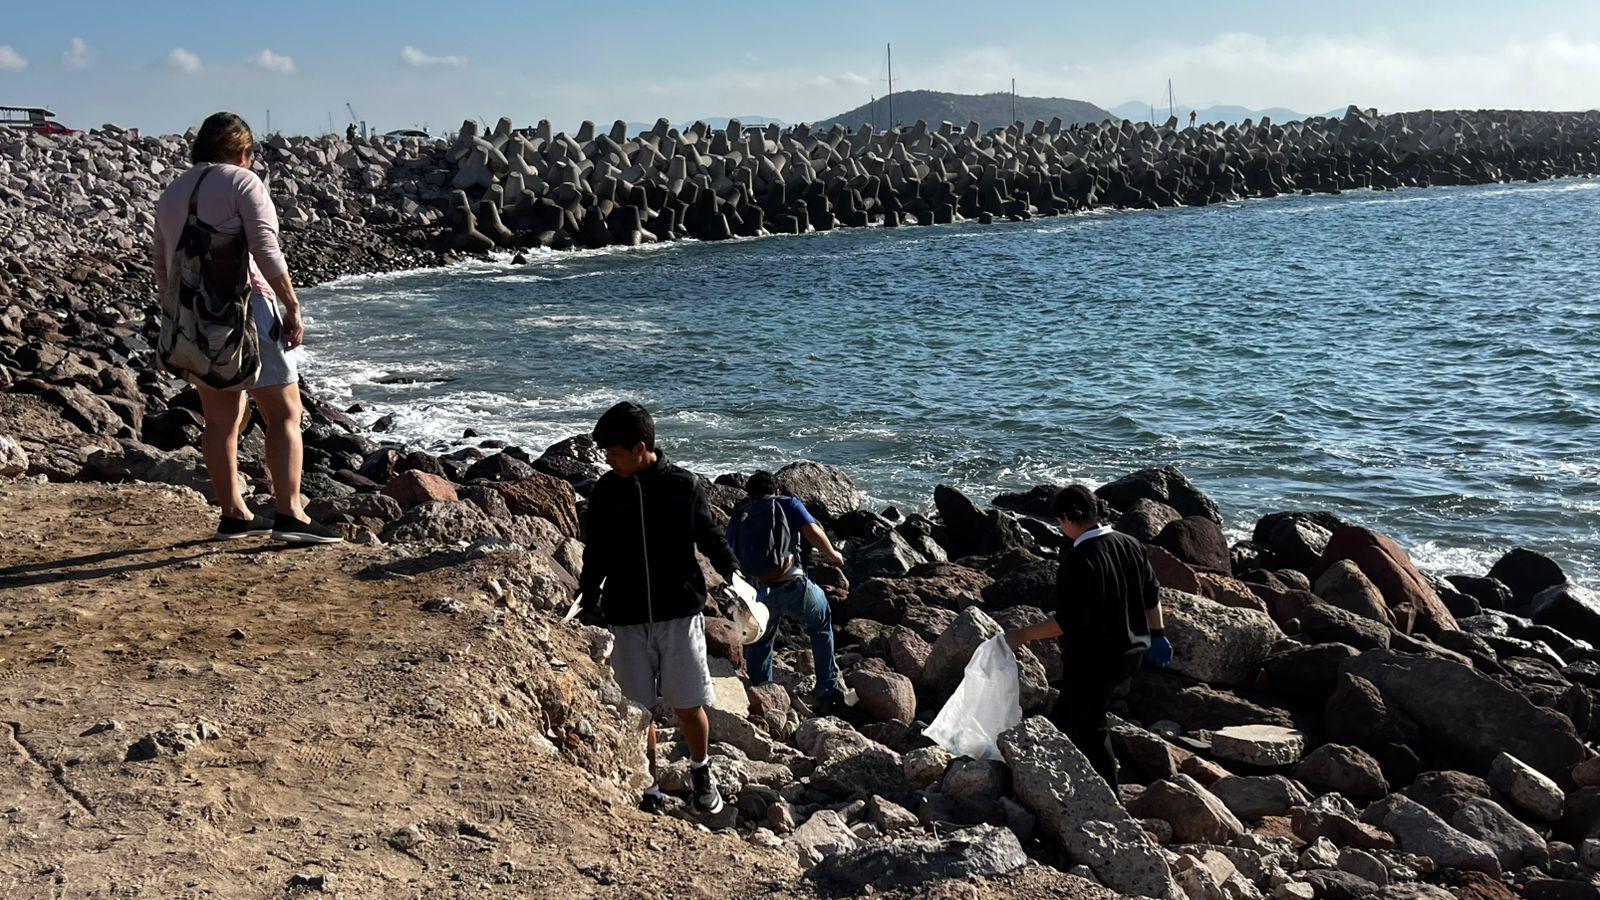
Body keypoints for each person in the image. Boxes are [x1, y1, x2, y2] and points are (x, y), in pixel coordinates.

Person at [153, 112, 341, 545]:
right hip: (248, 307)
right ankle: (291, 514)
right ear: (243, 151)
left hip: (193, 315)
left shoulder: (173, 191)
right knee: (284, 412)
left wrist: (175, 316)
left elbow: (163, 264)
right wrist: (291, 304)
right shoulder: (243, 182)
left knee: (221, 420)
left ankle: (234, 514)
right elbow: (265, 249)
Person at [578, 402, 737, 815]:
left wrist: (734, 575)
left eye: (613, 452)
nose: (607, 460)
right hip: (626, 616)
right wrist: (588, 594)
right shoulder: (606, 492)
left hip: (679, 612)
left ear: (640, 447)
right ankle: (648, 784)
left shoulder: (682, 486)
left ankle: (701, 771)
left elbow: (710, 535)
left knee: (688, 703)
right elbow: (595, 552)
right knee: (637, 709)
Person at [1004, 483, 1172, 786]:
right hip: (1133, 652)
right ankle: (1052, 777)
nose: (1060, 526)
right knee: (1066, 715)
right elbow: (1152, 595)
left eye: (1059, 520)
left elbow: (1068, 621)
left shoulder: (1080, 559)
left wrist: (1022, 634)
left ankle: (1110, 800)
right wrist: (1158, 634)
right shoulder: (1130, 544)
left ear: (1069, 518)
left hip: (1098, 661)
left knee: (1090, 729)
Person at [726, 471, 848, 713]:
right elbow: (812, 530)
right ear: (777, 490)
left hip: (761, 592)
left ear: (750, 495)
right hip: (794, 586)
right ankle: (828, 688)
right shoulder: (787, 503)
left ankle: (761, 693)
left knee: (761, 639)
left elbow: (729, 550)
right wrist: (834, 556)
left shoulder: (741, 514)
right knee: (821, 621)